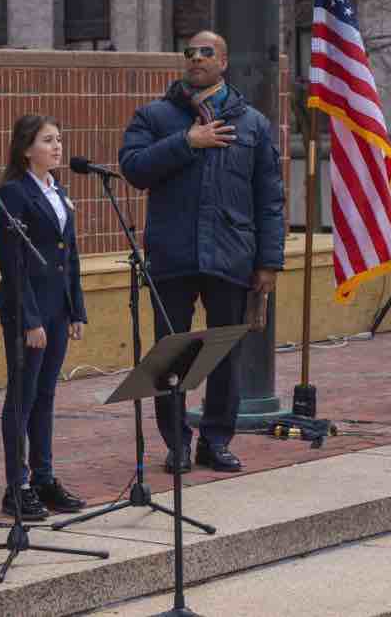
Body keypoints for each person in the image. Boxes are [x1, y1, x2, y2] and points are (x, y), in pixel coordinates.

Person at [119, 30, 286, 474]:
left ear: (224, 61)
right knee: (171, 354)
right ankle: (176, 444)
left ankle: (216, 441)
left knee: (224, 354)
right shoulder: (155, 116)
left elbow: (269, 197)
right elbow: (133, 169)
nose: (195, 58)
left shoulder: (252, 123)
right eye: (189, 52)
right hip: (172, 255)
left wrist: (269, 262)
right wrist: (186, 143)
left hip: (232, 255)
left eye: (205, 52)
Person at [0, 116, 89, 520]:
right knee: (23, 395)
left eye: (59, 140)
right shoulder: (14, 193)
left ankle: (44, 476)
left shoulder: (58, 190)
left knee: (46, 394)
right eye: (48, 140)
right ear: (25, 148)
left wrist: (75, 308)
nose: (57, 147)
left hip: (56, 306)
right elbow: (12, 262)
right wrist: (29, 319)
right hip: (26, 309)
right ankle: (18, 484)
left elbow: (71, 253)